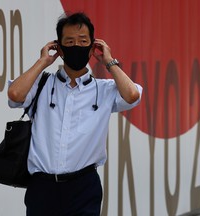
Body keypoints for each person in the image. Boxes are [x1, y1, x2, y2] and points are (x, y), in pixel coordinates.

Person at [7, 12, 142, 216]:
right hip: (42, 188)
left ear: (92, 47)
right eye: (69, 42)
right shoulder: (43, 85)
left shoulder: (104, 90)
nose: (76, 46)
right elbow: (15, 94)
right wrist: (43, 61)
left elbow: (132, 95)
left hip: (84, 187)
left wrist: (109, 61)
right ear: (59, 48)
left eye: (83, 41)